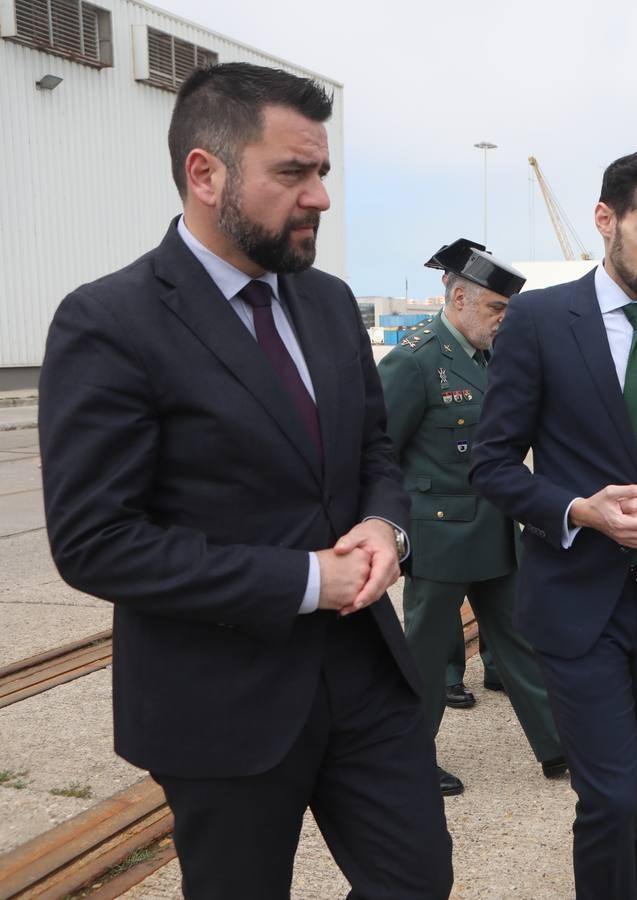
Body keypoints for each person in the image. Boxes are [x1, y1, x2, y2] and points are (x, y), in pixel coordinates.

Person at [37, 63, 453, 898]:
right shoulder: (110, 321)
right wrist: (306, 578)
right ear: (206, 173)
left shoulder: (329, 304)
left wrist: (386, 529)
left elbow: (375, 451)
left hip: (365, 679)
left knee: (417, 882)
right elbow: (95, 542)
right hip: (220, 705)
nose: (320, 199)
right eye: (292, 173)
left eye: (323, 172)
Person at [470, 151, 637, 899]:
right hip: (574, 601)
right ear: (605, 220)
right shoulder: (537, 321)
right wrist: (576, 510)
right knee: (611, 799)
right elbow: (491, 465)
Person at [377, 239, 566, 796]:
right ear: (459, 298)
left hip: (497, 531)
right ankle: (405, 760)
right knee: (425, 655)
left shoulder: (489, 356)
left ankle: (559, 748)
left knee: (521, 643)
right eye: (495, 309)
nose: (503, 321)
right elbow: (379, 453)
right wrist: (388, 531)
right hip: (439, 536)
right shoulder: (415, 359)